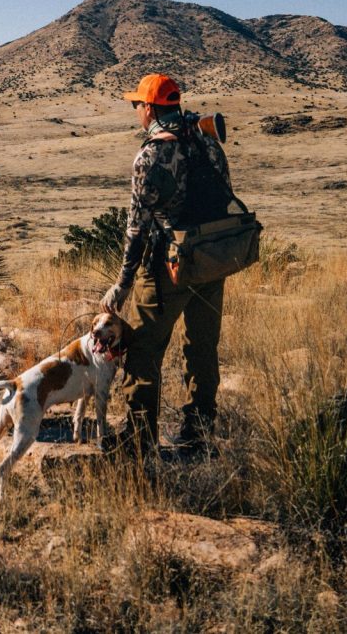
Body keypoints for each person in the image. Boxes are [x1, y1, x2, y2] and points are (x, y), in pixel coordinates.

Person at [100, 73, 232, 457]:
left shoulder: (151, 155)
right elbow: (224, 193)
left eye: (138, 104)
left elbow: (136, 228)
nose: (137, 111)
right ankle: (199, 434)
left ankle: (138, 441)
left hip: (167, 267)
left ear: (151, 108)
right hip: (210, 260)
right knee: (202, 349)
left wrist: (123, 283)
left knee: (142, 350)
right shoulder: (207, 141)